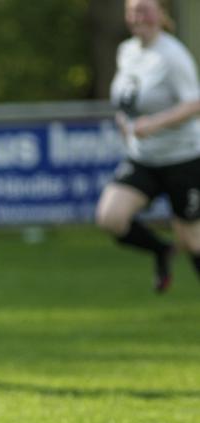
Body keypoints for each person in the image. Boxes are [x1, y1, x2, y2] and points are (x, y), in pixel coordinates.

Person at [96, 0, 200, 291]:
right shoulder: (127, 51)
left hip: (183, 158)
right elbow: (128, 99)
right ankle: (161, 250)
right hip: (143, 158)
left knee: (191, 238)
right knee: (110, 218)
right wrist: (124, 121)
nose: (138, 16)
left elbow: (194, 103)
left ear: (161, 13)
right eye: (133, 10)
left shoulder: (173, 55)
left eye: (145, 9)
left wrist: (155, 123)